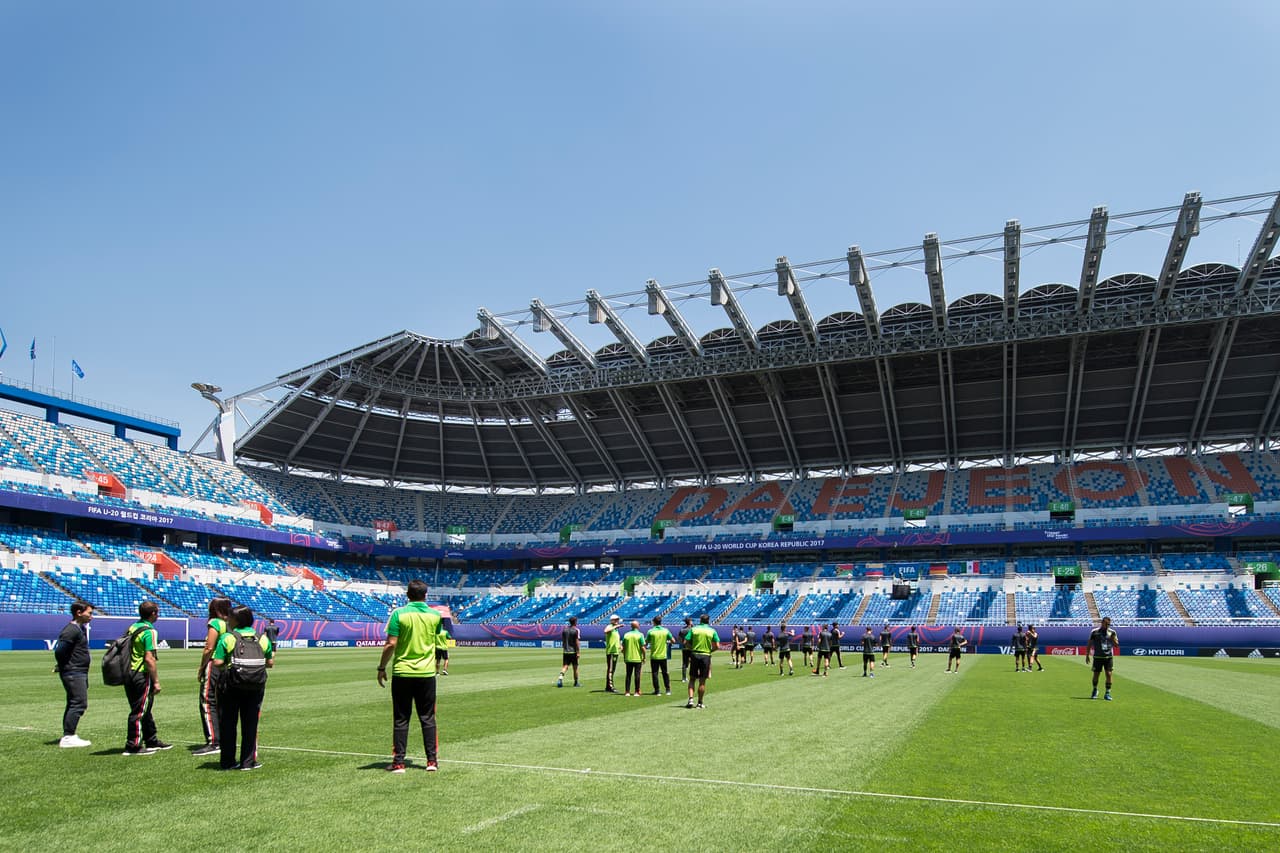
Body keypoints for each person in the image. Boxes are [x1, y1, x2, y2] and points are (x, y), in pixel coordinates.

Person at [378, 579, 445, 773]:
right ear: (426, 595)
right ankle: (431, 761)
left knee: (401, 718)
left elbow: (391, 643)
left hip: (403, 672)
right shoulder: (435, 615)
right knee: (428, 718)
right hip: (426, 673)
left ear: (407, 595)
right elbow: (436, 636)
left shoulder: (399, 614)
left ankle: (399, 763)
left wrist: (381, 667)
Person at [209, 605, 274, 770]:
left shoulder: (228, 637)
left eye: (230, 617)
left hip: (231, 686)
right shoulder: (262, 638)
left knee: (228, 723)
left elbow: (217, 662)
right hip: (255, 686)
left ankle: (228, 762)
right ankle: (248, 761)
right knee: (250, 724)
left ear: (236, 620)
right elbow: (270, 663)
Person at [123, 601, 170, 755]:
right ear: (153, 614)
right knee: (139, 711)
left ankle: (151, 739)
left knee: (144, 708)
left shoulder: (133, 627)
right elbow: (149, 659)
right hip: (140, 673)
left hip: (129, 671)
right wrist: (156, 681)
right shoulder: (150, 631)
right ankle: (133, 745)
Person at [195, 596, 232, 757]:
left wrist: (201, 667)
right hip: (226, 665)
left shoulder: (215, 623)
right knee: (221, 703)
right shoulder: (230, 623)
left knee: (207, 701)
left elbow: (209, 648)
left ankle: (213, 741)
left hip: (214, 664)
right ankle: (222, 739)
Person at [53, 600, 94, 748]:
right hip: (73, 671)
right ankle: (68, 737)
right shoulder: (71, 630)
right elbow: (60, 651)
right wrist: (63, 665)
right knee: (79, 702)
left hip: (78, 671)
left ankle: (68, 734)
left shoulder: (79, 629)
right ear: (79, 613)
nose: (92, 616)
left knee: (73, 702)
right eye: (89, 613)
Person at [685, 614, 718, 709]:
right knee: (702, 681)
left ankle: (691, 699)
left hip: (695, 654)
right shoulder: (712, 631)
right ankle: (699, 703)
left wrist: (692, 649)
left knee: (692, 679)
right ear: (708, 621)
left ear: (700, 620)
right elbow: (717, 646)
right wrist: (709, 651)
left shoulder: (693, 629)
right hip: (705, 656)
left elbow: (685, 642)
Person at [1086, 616, 1119, 700]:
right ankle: (1095, 690)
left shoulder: (1112, 632)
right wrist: (1087, 655)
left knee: (1109, 674)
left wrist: (1113, 639)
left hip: (1108, 657)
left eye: (1109, 624)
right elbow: (1089, 643)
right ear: (1102, 623)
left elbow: (1116, 645)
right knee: (1096, 674)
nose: (1108, 626)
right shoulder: (1094, 632)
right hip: (1097, 657)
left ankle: (1107, 693)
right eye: (1106, 624)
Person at [646, 616, 673, 696]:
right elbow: (673, 640)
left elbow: (646, 642)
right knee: (665, 673)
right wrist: (666, 641)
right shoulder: (666, 630)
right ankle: (668, 690)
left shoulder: (650, 631)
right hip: (663, 656)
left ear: (654, 622)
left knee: (655, 673)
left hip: (654, 656)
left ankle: (657, 691)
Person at [622, 620, 646, 697]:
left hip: (628, 658)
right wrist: (644, 657)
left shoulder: (626, 635)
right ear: (637, 626)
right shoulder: (640, 635)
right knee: (637, 675)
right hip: (637, 658)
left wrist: (624, 656)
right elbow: (643, 647)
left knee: (628, 675)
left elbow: (623, 648)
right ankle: (636, 691)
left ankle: (627, 692)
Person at [557, 616, 580, 688]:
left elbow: (563, 641)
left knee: (565, 666)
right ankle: (576, 683)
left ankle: (560, 677)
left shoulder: (564, 630)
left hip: (566, 651)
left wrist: (564, 648)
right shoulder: (576, 630)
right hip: (573, 652)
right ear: (575, 622)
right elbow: (577, 642)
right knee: (575, 668)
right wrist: (578, 652)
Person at [603, 614, 622, 693]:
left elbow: (616, 639)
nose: (617, 621)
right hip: (611, 651)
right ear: (612, 620)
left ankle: (608, 686)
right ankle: (610, 687)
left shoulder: (615, 629)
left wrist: (620, 645)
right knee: (610, 669)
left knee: (612, 669)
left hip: (615, 651)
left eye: (618, 619)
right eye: (616, 619)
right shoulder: (610, 626)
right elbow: (605, 631)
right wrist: (616, 626)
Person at [679, 616, 694, 682]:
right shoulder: (693, 629)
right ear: (690, 622)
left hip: (684, 648)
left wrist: (683, 644)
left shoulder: (682, 630)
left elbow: (679, 639)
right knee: (694, 663)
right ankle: (694, 676)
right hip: (692, 648)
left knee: (684, 663)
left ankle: (684, 678)